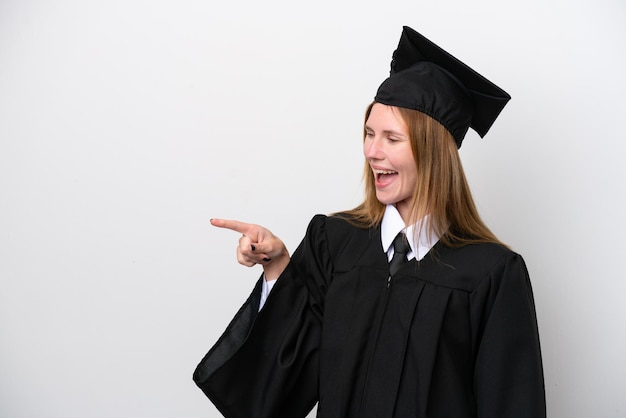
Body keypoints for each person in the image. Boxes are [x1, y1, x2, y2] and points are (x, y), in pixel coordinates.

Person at [193, 26, 546, 418]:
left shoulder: (490, 274)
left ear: (433, 153)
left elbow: (512, 404)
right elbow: (281, 380)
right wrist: (277, 267)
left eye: (392, 138)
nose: (372, 152)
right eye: (369, 133)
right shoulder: (334, 244)